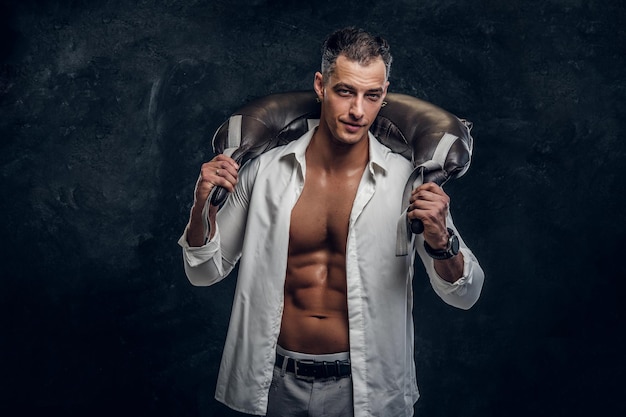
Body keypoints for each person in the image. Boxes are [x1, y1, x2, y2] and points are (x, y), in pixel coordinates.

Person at [178, 27, 484, 417]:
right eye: (345, 91)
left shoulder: (410, 182)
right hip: (273, 383)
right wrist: (201, 205)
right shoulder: (264, 172)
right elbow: (203, 271)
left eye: (372, 96)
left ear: (384, 94)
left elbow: (465, 294)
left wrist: (443, 242)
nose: (358, 110)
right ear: (321, 86)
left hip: (365, 390)